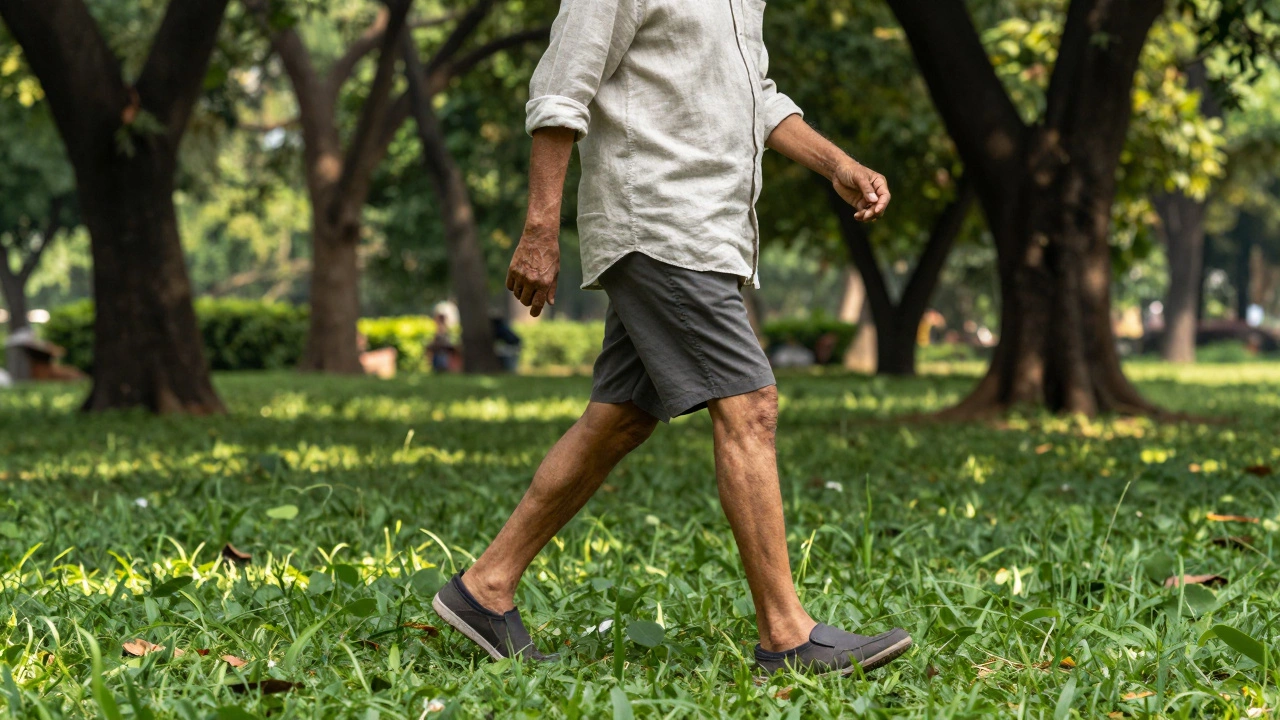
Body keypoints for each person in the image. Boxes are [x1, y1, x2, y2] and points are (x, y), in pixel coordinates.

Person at [430, 0, 910, 677]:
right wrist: (540, 229)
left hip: (707, 232)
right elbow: (561, 90)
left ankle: (486, 586)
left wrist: (835, 164)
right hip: (659, 221)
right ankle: (786, 635)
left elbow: (756, 97)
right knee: (752, 405)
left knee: (621, 419)